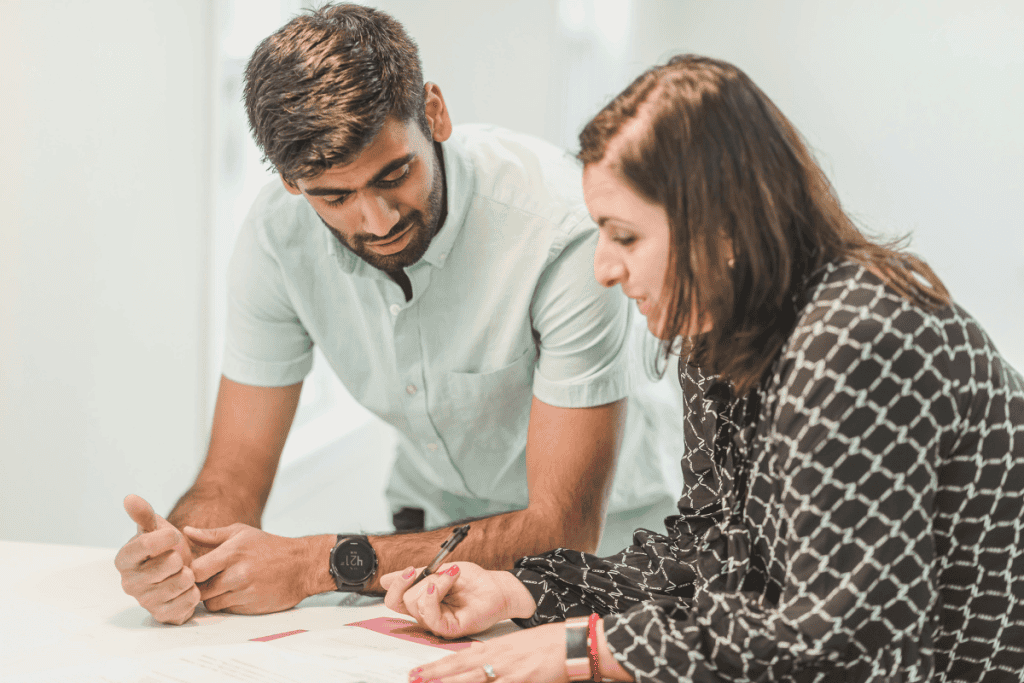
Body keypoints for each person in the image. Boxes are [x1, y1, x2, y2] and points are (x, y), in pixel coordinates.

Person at [381, 54, 1024, 682]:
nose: (604, 269)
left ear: (720, 229)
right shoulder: (715, 329)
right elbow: (710, 555)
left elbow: (846, 646)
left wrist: (587, 650)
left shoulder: (856, 338)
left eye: (625, 236)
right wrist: (518, 590)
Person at [113, 3, 684, 626]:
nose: (378, 221)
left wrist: (312, 564)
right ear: (290, 181)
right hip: (424, 542)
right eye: (335, 196)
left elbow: (562, 527)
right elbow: (233, 475)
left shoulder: (560, 231)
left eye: (395, 174)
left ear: (433, 112)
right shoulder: (278, 238)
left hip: (614, 555)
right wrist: (184, 555)